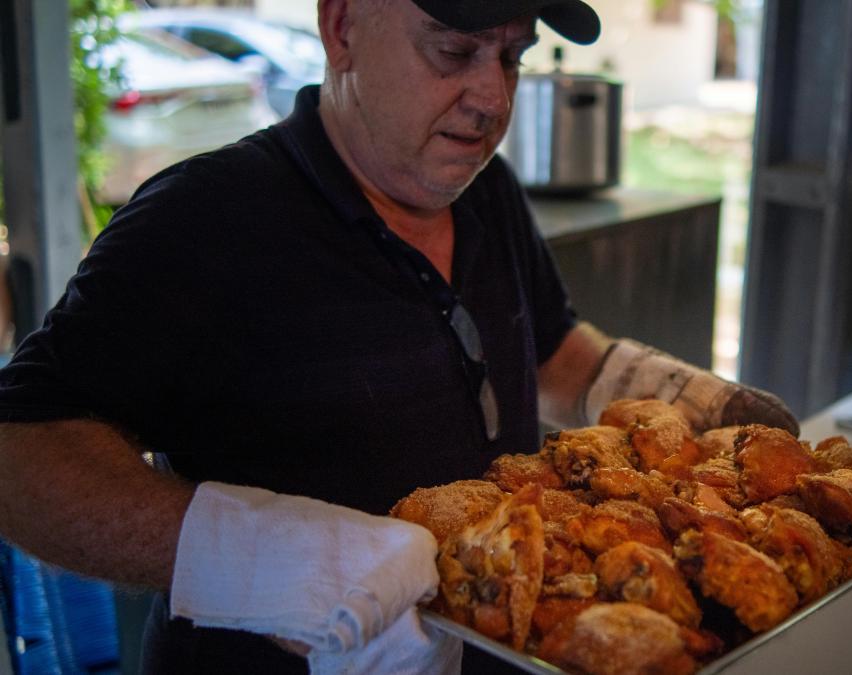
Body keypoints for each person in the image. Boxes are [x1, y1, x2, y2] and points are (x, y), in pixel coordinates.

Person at [0, 0, 797, 672]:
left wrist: (694, 398)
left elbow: (552, 352)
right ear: (342, 24)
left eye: (511, 57)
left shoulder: (485, 193)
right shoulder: (207, 219)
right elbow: (20, 455)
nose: (492, 98)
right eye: (453, 49)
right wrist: (270, 560)